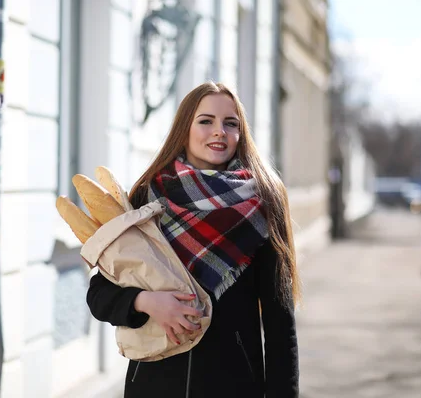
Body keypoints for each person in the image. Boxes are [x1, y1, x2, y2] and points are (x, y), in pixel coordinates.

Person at [86, 81, 300, 398]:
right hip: (153, 385)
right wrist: (145, 302)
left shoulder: (262, 204)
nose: (219, 132)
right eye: (206, 121)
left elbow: (281, 326)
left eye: (231, 124)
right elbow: (100, 294)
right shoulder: (147, 197)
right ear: (185, 129)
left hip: (234, 387)